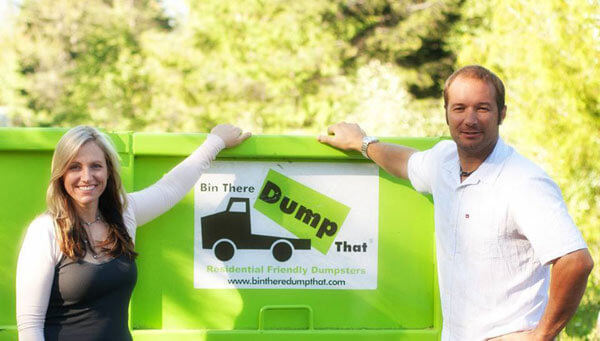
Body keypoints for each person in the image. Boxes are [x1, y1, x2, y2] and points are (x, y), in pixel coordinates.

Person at [318, 65, 594, 340]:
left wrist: (541, 335)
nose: (470, 119)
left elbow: (575, 260)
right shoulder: (444, 162)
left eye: (482, 108)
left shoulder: (523, 182)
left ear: (502, 114)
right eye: (459, 108)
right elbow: (406, 162)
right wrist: (362, 143)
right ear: (447, 114)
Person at [16, 124, 250, 340]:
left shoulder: (123, 215)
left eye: (96, 166)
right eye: (74, 167)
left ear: (108, 171)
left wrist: (215, 142)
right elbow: (30, 325)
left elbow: (170, 187)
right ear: (61, 175)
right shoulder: (46, 230)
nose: (87, 177)